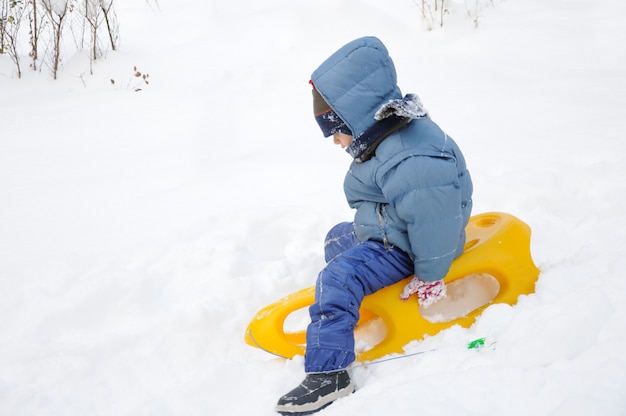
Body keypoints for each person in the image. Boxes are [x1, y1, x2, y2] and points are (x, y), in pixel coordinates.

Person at [275, 36, 473, 415]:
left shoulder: (412, 157)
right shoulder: (389, 137)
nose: (335, 141)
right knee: (337, 239)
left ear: (357, 116)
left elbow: (435, 221)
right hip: (393, 230)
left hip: (410, 248)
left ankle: (329, 373)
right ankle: (348, 305)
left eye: (336, 129)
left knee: (336, 277)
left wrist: (430, 273)